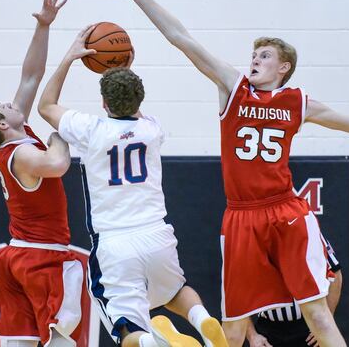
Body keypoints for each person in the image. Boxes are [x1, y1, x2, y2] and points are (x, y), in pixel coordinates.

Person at [91, 0, 349, 347]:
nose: (254, 61)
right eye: (253, 55)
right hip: (241, 216)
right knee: (234, 325)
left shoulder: (298, 102)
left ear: (284, 67)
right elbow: (182, 37)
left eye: (264, 57)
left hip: (286, 211)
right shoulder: (233, 86)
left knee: (317, 311)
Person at [37, 27, 229, 347]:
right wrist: (126, 66)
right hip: (157, 234)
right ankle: (202, 319)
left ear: (102, 102)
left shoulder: (91, 129)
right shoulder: (151, 128)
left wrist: (69, 58)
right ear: (140, 99)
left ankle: (147, 342)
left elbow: (46, 105)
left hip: (116, 243)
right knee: (176, 292)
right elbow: (131, 104)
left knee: (125, 326)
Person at [0, 0, 83, 347]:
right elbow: (58, 164)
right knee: (60, 339)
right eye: (2, 105)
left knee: (20, 342)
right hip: (42, 257)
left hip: (14, 256)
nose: (10, 102)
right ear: (2, 123)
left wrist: (45, 27)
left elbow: (31, 76)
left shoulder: (10, 139)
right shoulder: (22, 154)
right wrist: (60, 131)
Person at [246, 237, 343, 347]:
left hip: (307, 327)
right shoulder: (255, 241)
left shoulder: (310, 233)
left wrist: (326, 323)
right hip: (268, 332)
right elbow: (239, 288)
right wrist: (252, 335)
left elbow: (336, 274)